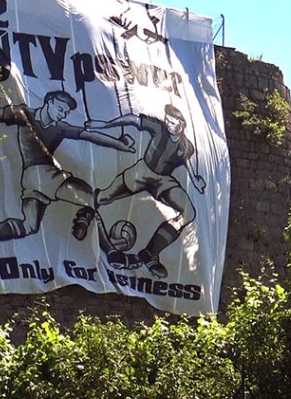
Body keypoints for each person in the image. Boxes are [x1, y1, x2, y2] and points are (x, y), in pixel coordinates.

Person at [0, 90, 135, 243]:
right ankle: (88, 218)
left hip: (31, 179)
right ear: (50, 102)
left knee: (30, 226)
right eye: (60, 109)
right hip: (43, 173)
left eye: (65, 113)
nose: (62, 115)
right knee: (93, 197)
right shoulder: (24, 114)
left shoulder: (60, 127)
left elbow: (88, 135)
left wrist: (118, 144)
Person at [80, 104, 206, 278]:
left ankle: (150, 253)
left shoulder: (187, 146)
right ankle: (86, 213)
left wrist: (195, 178)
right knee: (105, 196)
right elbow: (132, 119)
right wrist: (104, 125)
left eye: (171, 122)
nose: (168, 124)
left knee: (189, 212)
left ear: (181, 124)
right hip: (142, 171)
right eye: (167, 120)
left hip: (163, 180)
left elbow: (185, 159)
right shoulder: (159, 128)